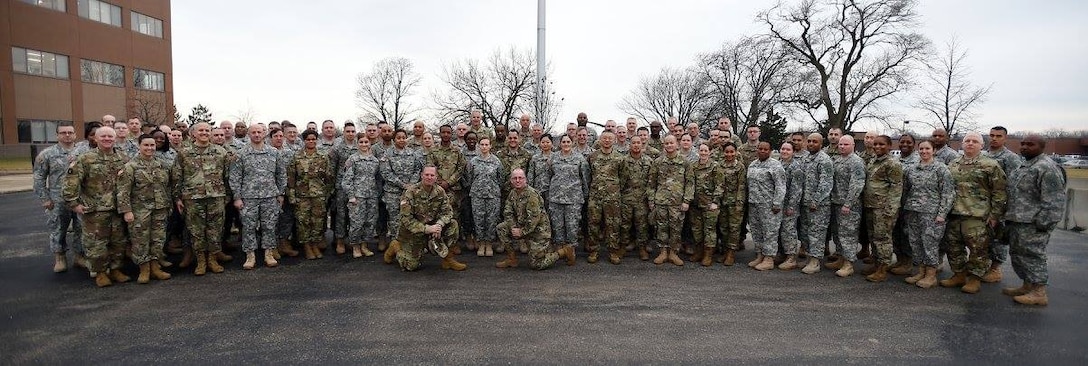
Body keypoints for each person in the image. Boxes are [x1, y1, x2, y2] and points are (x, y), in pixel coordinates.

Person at [1001, 135, 1066, 306]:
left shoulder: (1046, 167)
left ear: (1042, 147)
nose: (1025, 147)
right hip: (1017, 220)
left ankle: (1039, 292)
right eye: (1023, 144)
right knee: (1018, 254)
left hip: (1034, 222)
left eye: (1030, 144)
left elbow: (1054, 200)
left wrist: (1044, 223)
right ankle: (1027, 285)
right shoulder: (1024, 165)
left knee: (1033, 255)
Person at [941, 132, 1007, 294]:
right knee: (953, 247)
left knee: (978, 250)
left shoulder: (991, 165)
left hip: (977, 215)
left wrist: (995, 215)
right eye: (967, 141)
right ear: (962, 144)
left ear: (981, 145)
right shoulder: (953, 164)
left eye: (975, 141)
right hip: (955, 213)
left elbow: (999, 192)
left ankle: (975, 279)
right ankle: (959, 275)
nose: (970, 143)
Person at [63, 126, 130, 287]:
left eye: (110, 136)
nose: (107, 139)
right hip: (95, 210)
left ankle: (115, 269)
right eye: (103, 136)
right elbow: (71, 182)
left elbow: (128, 182)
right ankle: (100, 273)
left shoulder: (123, 158)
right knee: (96, 244)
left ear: (114, 139)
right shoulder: (85, 159)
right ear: (96, 139)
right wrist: (74, 204)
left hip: (117, 208)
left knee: (118, 242)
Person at [172, 122, 232, 276]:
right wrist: (177, 197)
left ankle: (212, 259)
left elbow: (227, 175)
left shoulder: (220, 152)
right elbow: (177, 176)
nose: (204, 133)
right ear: (193, 133)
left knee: (215, 229)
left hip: (216, 196)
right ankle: (200, 261)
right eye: (201, 130)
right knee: (196, 231)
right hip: (192, 197)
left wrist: (228, 195)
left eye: (207, 130)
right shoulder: (184, 153)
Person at [383, 167, 467, 271]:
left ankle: (448, 259)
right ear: (422, 175)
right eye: (427, 175)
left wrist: (439, 224)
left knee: (453, 224)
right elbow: (406, 219)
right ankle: (395, 247)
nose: (429, 177)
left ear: (436, 177)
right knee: (411, 266)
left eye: (432, 175)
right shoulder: (410, 192)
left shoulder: (440, 191)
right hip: (413, 232)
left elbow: (448, 212)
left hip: (433, 228)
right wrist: (427, 229)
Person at [117, 134, 173, 284]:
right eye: (146, 145)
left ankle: (155, 268)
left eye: (152, 145)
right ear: (139, 146)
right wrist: (126, 210)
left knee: (158, 239)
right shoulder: (131, 166)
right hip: (139, 210)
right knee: (140, 241)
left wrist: (169, 206)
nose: (149, 148)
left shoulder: (161, 164)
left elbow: (167, 187)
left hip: (160, 208)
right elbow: (123, 191)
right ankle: (144, 270)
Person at [230, 124, 287, 269]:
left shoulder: (274, 153)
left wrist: (281, 193)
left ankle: (268, 253)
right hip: (248, 197)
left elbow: (281, 174)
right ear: (249, 134)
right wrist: (237, 197)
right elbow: (235, 177)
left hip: (270, 196)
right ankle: (250, 255)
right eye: (253, 132)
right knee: (248, 227)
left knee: (269, 226)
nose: (256, 135)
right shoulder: (241, 154)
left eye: (259, 132)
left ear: (264, 133)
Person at [495, 169, 576, 269]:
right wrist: (513, 227)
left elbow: (534, 219)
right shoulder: (513, 193)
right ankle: (512, 259)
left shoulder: (532, 195)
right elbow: (508, 212)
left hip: (539, 232)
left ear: (526, 180)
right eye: (514, 178)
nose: (517, 180)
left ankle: (563, 251)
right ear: (511, 181)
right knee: (501, 228)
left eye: (520, 178)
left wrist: (521, 232)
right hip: (523, 226)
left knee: (536, 264)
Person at [902, 140, 954, 288]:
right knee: (915, 242)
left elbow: (948, 193)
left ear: (934, 150)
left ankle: (931, 275)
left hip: (931, 213)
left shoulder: (941, 169)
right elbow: (907, 190)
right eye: (921, 149)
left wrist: (942, 214)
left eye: (927, 149)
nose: (924, 151)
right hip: (913, 211)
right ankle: (920, 271)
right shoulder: (912, 169)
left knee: (929, 243)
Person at [33, 122, 84, 273]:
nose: (67, 135)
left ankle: (79, 256)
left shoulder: (83, 151)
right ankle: (60, 258)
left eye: (70, 132)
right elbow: (39, 178)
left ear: (75, 134)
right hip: (58, 199)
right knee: (58, 229)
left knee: (81, 228)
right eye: (63, 133)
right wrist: (45, 198)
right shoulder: (47, 154)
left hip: (80, 197)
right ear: (57, 135)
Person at [982, 126, 1024, 283]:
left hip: (1000, 204)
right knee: (984, 237)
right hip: (983, 203)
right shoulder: (984, 155)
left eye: (998, 136)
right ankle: (984, 266)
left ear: (1005, 138)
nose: (994, 138)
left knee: (998, 238)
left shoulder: (1010, 158)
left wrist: (1005, 208)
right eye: (992, 135)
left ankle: (995, 268)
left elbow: (1014, 184)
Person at [861, 135, 904, 282]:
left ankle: (883, 268)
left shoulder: (893, 164)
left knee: (883, 238)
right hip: (870, 206)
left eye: (882, 144)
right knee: (873, 237)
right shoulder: (873, 161)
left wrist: (890, 210)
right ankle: (876, 262)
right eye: (875, 144)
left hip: (883, 208)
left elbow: (896, 188)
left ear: (890, 146)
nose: (878, 147)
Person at [288, 130, 334, 259]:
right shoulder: (296, 156)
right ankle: (307, 246)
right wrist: (292, 196)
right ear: (304, 141)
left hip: (318, 195)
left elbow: (329, 177)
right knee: (303, 221)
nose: (311, 141)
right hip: (301, 196)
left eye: (313, 139)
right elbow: (291, 177)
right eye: (308, 139)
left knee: (318, 221)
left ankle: (315, 244)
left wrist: (327, 193)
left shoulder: (323, 157)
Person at [825, 135, 866, 277]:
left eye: (846, 144)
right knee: (838, 234)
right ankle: (841, 258)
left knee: (848, 235)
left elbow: (857, 184)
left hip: (849, 205)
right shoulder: (837, 160)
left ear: (853, 145)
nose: (842, 147)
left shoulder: (856, 162)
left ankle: (848, 264)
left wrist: (848, 203)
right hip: (836, 202)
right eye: (841, 144)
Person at [649, 135, 693, 266]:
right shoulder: (658, 162)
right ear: (664, 145)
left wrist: (686, 200)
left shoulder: (684, 162)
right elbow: (651, 182)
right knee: (661, 227)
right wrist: (651, 200)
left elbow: (690, 183)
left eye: (671, 143)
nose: (669, 145)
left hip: (677, 202)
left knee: (676, 228)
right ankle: (663, 252)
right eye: (666, 143)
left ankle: (674, 253)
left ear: (677, 144)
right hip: (661, 201)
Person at [379, 129, 424, 250]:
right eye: (398, 138)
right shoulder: (387, 154)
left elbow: (417, 170)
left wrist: (411, 184)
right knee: (394, 219)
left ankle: (410, 243)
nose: (401, 140)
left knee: (410, 217)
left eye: (403, 137)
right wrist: (403, 185)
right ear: (394, 140)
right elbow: (386, 173)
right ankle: (396, 244)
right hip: (392, 192)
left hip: (410, 191)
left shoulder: (412, 153)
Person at [586, 131, 626, 264]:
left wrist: (614, 189)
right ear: (600, 140)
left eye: (610, 138)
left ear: (614, 140)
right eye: (604, 138)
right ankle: (594, 250)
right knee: (593, 223)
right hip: (595, 196)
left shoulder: (620, 158)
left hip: (613, 197)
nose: (607, 140)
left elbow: (624, 178)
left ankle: (613, 251)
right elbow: (588, 175)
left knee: (613, 224)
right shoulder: (592, 156)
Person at [746, 141, 786, 271]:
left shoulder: (775, 165)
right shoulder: (753, 164)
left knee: (770, 232)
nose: (762, 151)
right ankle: (760, 254)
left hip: (769, 205)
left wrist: (777, 203)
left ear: (770, 151)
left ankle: (769, 258)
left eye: (765, 149)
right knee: (756, 231)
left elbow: (780, 186)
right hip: (754, 204)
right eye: (760, 149)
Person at [427, 125, 467, 254]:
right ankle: (436, 242)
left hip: (453, 189)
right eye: (443, 132)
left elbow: (461, 168)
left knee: (454, 216)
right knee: (437, 215)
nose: (445, 134)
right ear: (440, 134)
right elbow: (430, 168)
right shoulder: (433, 151)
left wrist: (449, 182)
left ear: (451, 134)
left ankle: (453, 243)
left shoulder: (457, 151)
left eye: (448, 132)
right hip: (436, 189)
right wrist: (439, 183)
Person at [548, 135, 590, 259]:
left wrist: (585, 195)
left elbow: (585, 178)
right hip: (556, 197)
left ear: (572, 143)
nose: (566, 144)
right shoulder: (553, 158)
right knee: (557, 225)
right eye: (563, 142)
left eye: (568, 141)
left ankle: (571, 250)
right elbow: (550, 174)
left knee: (572, 226)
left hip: (574, 198)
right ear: (560, 144)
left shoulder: (580, 158)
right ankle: (560, 249)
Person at [800, 133, 835, 274]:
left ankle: (815, 261)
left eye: (815, 141)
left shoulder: (824, 160)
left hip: (818, 205)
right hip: (805, 203)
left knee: (816, 233)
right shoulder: (806, 158)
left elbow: (826, 183)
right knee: (805, 232)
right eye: (809, 141)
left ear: (821, 144)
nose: (811, 144)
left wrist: (816, 200)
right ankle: (809, 257)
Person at [341, 135, 381, 258]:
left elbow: (378, 179)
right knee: (356, 223)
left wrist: (377, 194)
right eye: (361, 142)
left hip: (372, 196)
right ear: (357, 144)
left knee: (370, 222)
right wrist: (351, 195)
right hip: (357, 197)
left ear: (370, 144)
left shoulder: (375, 161)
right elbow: (346, 180)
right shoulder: (352, 159)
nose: (364, 144)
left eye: (366, 142)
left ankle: (364, 245)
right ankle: (355, 246)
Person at [466, 137, 505, 257]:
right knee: (478, 220)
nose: (484, 147)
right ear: (479, 146)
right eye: (481, 144)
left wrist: (493, 188)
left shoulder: (496, 161)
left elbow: (501, 179)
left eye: (486, 144)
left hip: (493, 195)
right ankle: (481, 243)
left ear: (490, 146)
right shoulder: (473, 162)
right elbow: (469, 178)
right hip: (477, 195)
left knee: (491, 220)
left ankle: (489, 244)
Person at [688, 144, 721, 266]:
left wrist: (715, 202)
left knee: (709, 230)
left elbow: (720, 185)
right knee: (696, 230)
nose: (703, 153)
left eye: (705, 150)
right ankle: (699, 251)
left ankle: (708, 254)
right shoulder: (694, 166)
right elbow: (690, 183)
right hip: (695, 203)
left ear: (710, 152)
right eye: (701, 150)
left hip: (709, 204)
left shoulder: (715, 166)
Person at [716, 143, 746, 265]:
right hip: (722, 201)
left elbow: (742, 186)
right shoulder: (719, 165)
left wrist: (739, 204)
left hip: (735, 202)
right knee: (723, 228)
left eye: (731, 152)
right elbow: (718, 184)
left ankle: (731, 253)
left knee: (734, 228)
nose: (729, 154)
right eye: (727, 152)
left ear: (736, 152)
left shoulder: (740, 167)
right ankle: (725, 250)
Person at [777, 142, 805, 270]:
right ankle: (782, 254)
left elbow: (797, 189)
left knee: (788, 231)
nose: (785, 151)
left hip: (789, 205)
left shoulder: (796, 167)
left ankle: (791, 257)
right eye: (783, 149)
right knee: (780, 231)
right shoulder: (778, 164)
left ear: (793, 152)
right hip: (778, 204)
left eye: (788, 149)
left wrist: (791, 206)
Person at [526, 134, 554, 206]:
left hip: (552, 191)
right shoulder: (535, 158)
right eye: (543, 142)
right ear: (540, 143)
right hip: (538, 190)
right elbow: (531, 175)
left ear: (551, 143)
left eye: (547, 142)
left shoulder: (556, 157)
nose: (545, 144)